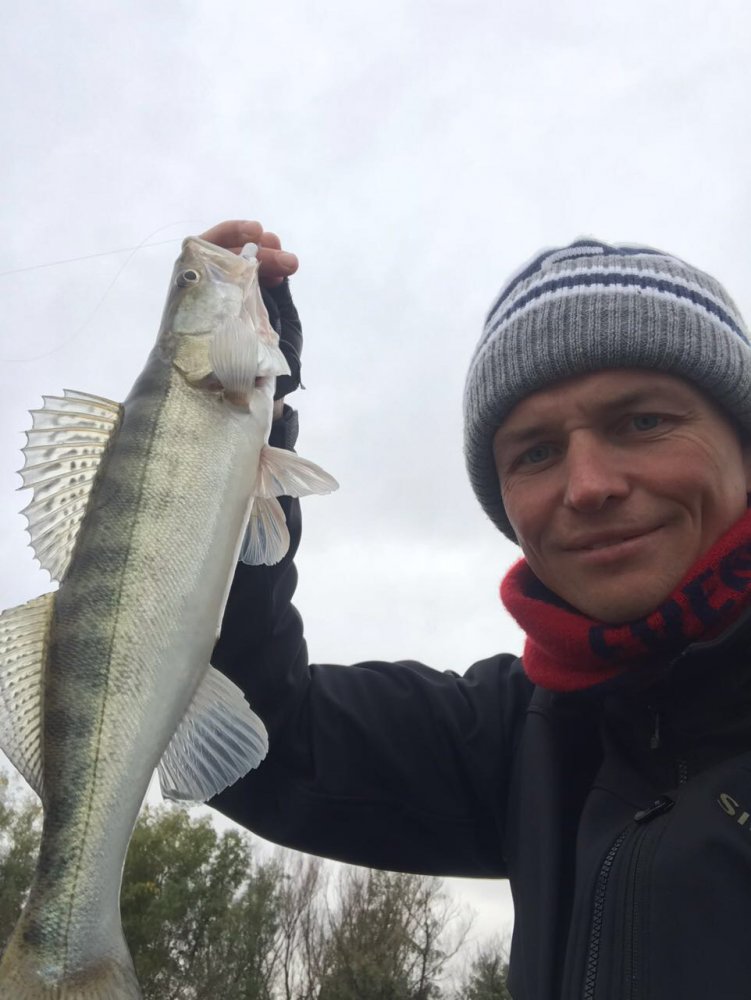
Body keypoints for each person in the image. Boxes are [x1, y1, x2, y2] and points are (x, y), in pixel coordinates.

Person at [206, 220, 751, 1000]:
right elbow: (249, 734)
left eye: (642, 422)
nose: (588, 485)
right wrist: (227, 425)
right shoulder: (528, 738)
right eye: (535, 452)